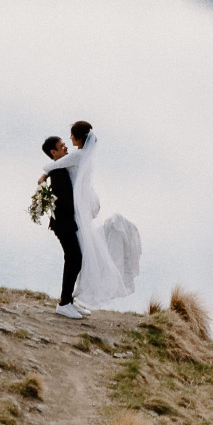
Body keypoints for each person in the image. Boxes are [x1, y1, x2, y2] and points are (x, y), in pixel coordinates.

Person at [68, 119, 142, 306]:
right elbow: (87, 184)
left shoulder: (78, 156)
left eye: (72, 135)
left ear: (78, 137)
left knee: (82, 251)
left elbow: (53, 166)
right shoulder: (87, 156)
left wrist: (44, 174)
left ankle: (76, 292)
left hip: (80, 210)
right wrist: (93, 202)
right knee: (84, 251)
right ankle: (76, 291)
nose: (69, 138)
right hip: (83, 207)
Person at [40, 135, 84, 316]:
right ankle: (64, 303)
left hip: (67, 222)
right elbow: (63, 201)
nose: (66, 148)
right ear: (53, 152)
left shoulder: (59, 167)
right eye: (62, 146)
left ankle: (68, 301)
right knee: (74, 258)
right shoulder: (57, 173)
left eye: (65, 144)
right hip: (63, 223)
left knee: (75, 259)